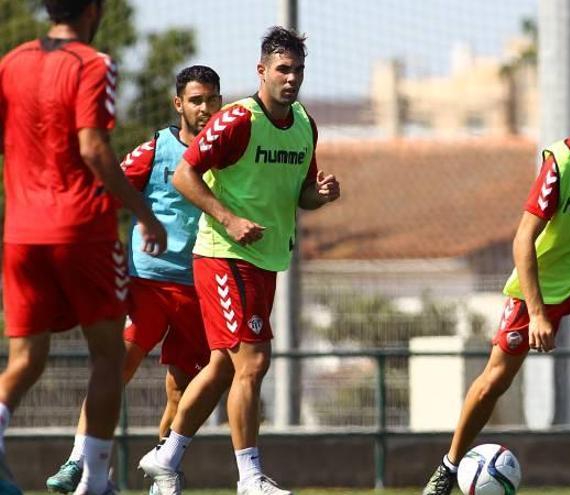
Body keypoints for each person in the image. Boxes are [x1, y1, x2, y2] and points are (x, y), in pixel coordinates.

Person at [421, 72, 570, 495]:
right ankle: (448, 465)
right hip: (544, 282)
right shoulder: (562, 166)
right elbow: (522, 240)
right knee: (497, 378)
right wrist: (536, 313)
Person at [137, 26, 340, 495]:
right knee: (254, 361)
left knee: (224, 367)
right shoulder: (237, 121)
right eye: (283, 69)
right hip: (224, 256)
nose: (291, 78)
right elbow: (185, 176)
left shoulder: (306, 124)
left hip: (265, 261)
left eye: (298, 70)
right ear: (262, 71)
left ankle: (165, 457)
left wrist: (321, 195)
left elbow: (302, 194)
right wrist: (228, 219)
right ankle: (249, 477)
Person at [0, 1, 167, 494]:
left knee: (26, 360)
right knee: (108, 356)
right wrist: (142, 213)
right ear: (93, 10)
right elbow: (94, 146)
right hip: (80, 231)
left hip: (21, 232)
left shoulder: (11, 62)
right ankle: (93, 480)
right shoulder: (94, 64)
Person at [44, 65, 221, 494]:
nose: (204, 108)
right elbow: (109, 190)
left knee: (181, 389)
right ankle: (78, 462)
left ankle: (164, 472)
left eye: (211, 99)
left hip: (198, 285)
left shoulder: (225, 152)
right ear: (179, 104)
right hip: (147, 282)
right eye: (195, 100)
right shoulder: (156, 148)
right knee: (114, 368)